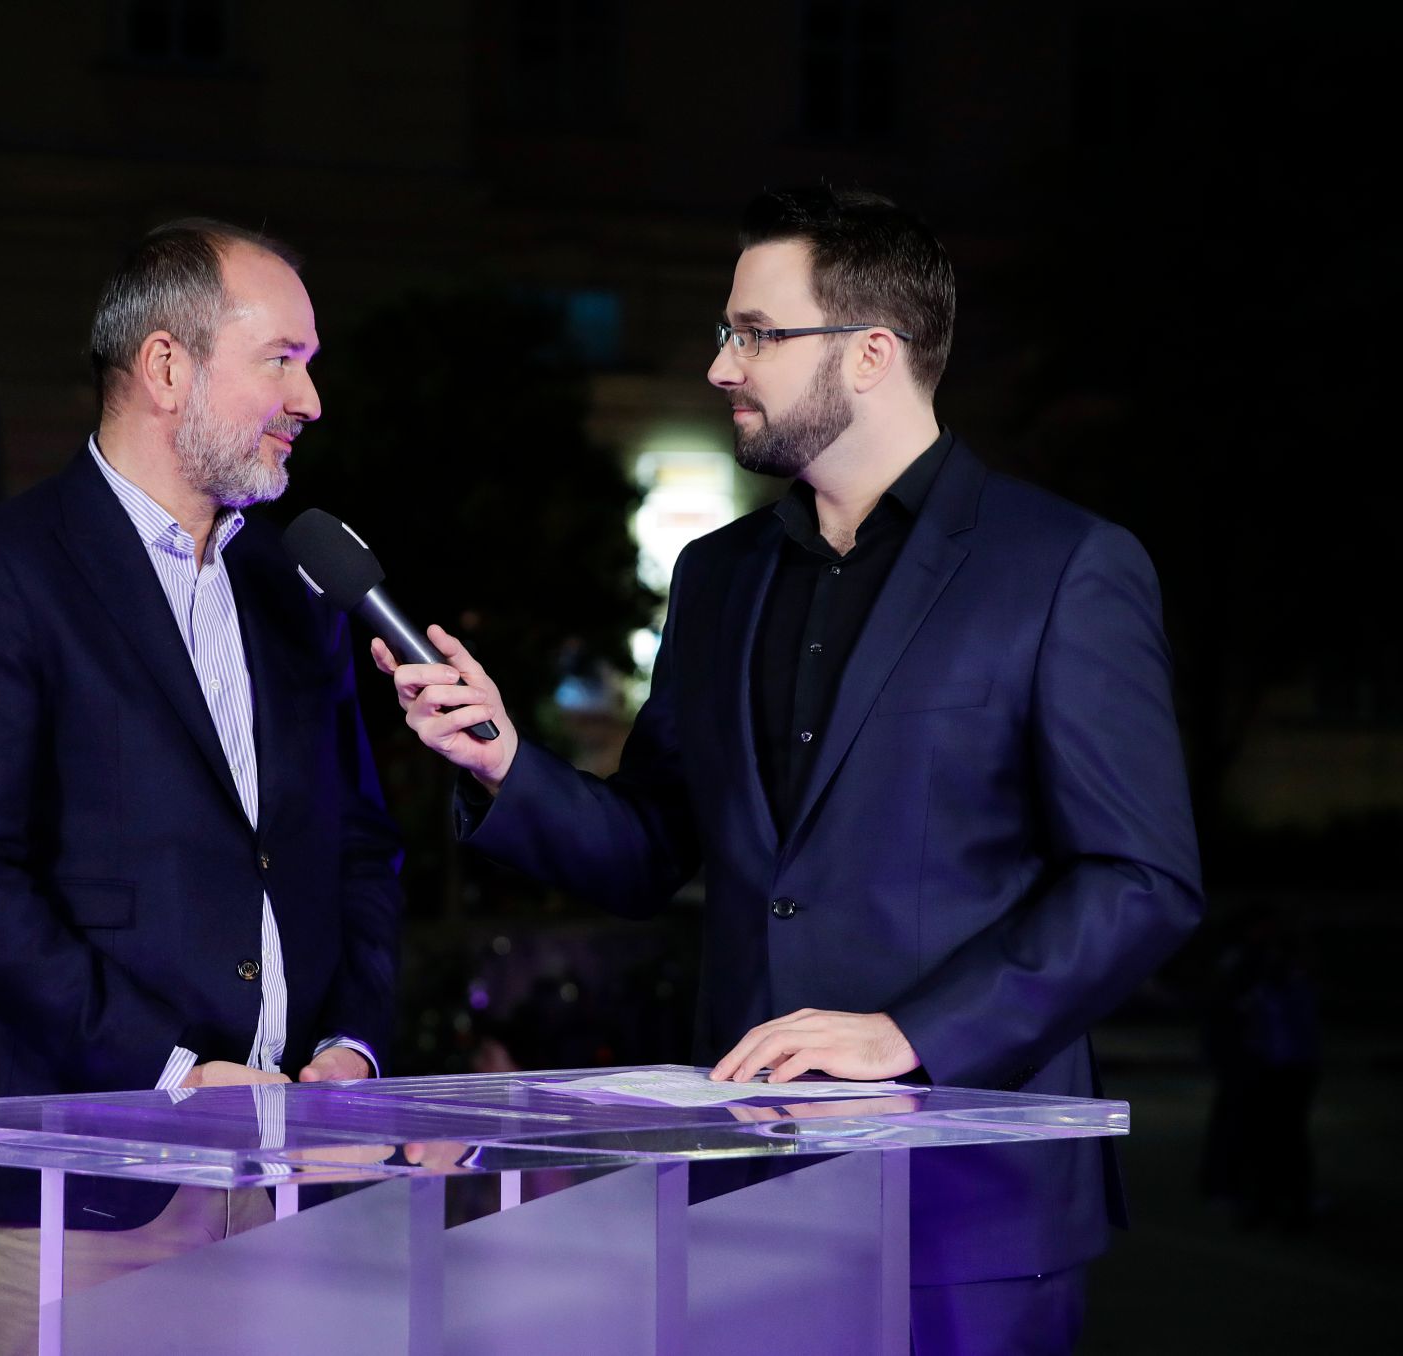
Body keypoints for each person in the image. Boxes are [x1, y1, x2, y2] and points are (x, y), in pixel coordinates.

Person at [376, 185, 1202, 1355]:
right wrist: (506, 763)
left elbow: (1138, 879)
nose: (720, 364)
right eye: (726, 331)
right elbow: (651, 844)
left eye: (754, 334)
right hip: (742, 1190)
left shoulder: (1063, 565)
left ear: (871, 354)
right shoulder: (716, 577)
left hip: (966, 1206)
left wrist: (911, 1032)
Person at [0, 218, 404, 1354]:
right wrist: (171, 1074)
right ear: (167, 366)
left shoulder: (292, 589)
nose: (310, 398)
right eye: (282, 358)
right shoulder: (1, 574)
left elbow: (361, 852)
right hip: (84, 1185)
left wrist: (353, 1045)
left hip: (291, 1179)